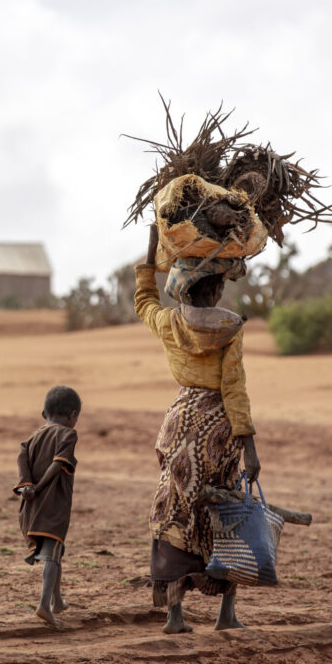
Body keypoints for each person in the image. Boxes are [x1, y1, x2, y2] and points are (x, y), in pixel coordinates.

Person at [135, 224, 261, 634]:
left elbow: (143, 301)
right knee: (225, 511)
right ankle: (226, 614)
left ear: (184, 290)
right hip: (217, 429)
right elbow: (233, 386)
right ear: (216, 290)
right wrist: (249, 443)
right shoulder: (231, 327)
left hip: (178, 422)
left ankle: (175, 615)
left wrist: (152, 250)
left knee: (175, 508)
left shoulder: (168, 322)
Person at [14, 385, 81, 629]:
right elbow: (56, 465)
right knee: (51, 557)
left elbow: (22, 464)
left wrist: (27, 488)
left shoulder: (29, 440)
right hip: (52, 505)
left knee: (55, 553)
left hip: (31, 508)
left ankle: (58, 601)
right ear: (73, 415)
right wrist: (41, 487)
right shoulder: (67, 434)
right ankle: (43, 604)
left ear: (44, 413)